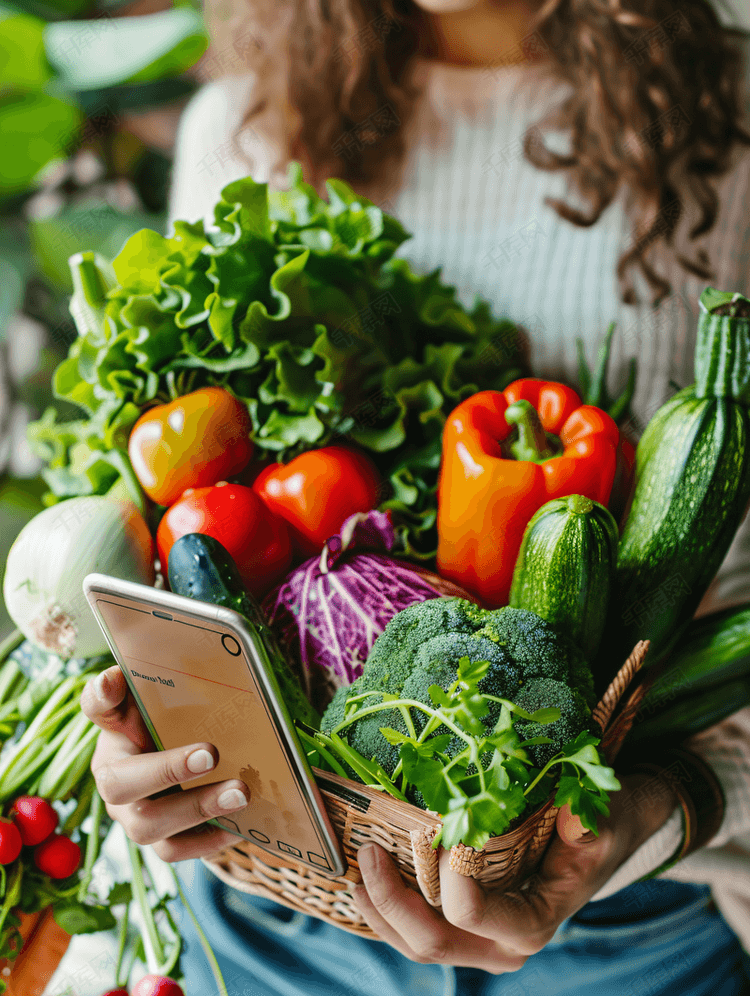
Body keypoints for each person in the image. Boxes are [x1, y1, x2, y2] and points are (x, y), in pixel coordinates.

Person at [81, 0, 750, 992]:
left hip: (621, 922)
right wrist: (149, 743)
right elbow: (181, 542)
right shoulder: (245, 128)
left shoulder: (731, 123)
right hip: (278, 917)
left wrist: (646, 813)